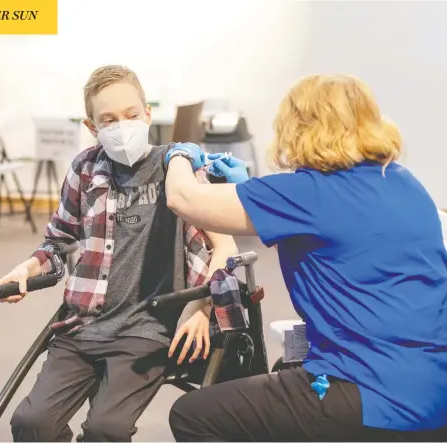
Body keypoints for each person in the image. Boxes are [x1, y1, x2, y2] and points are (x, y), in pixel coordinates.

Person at [164, 74, 447, 441]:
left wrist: (178, 153)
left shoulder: (308, 193)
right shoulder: (404, 183)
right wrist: (250, 184)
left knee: (193, 415)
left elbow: (183, 199)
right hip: (434, 389)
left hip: (371, 394)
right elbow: (337, 232)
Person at [0, 65, 237, 442]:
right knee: (31, 422)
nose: (122, 126)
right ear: (92, 127)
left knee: (108, 428)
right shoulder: (85, 169)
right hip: (82, 325)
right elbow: (59, 241)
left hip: (147, 330)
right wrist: (26, 269)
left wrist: (201, 307)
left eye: (131, 115)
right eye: (109, 120)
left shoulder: (176, 166)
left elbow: (225, 246)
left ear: (147, 114)